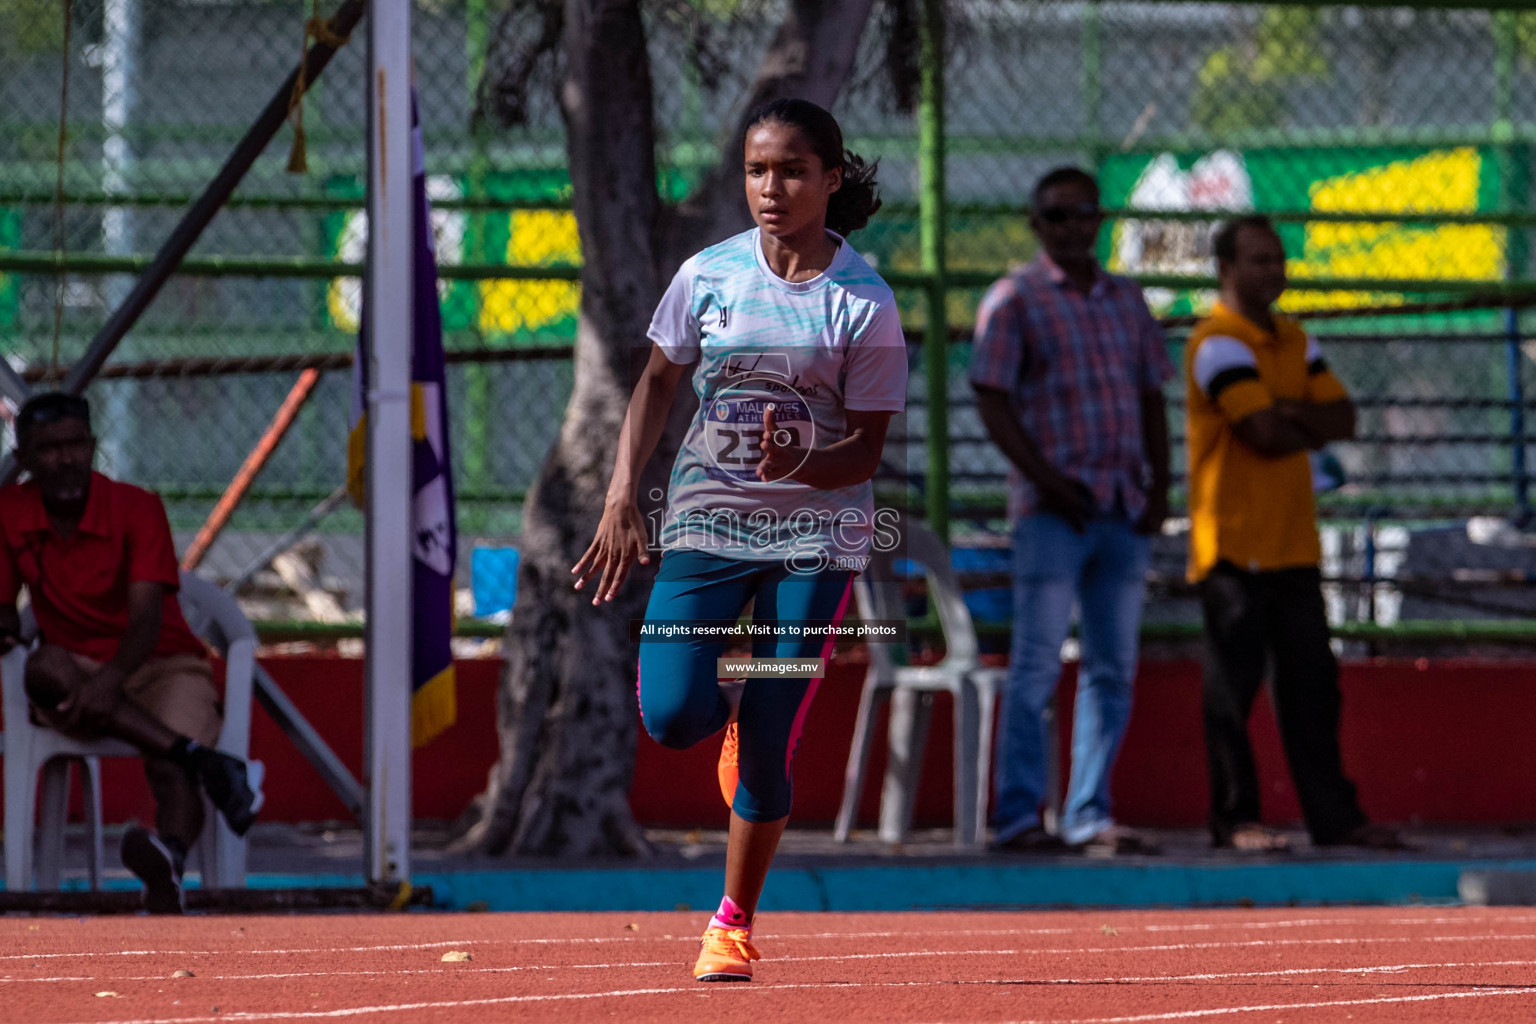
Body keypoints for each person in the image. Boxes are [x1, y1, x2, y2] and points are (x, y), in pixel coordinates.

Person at [571, 98, 906, 982]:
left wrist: (809, 456)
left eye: (793, 171)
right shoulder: (708, 275)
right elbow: (653, 382)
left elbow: (867, 450)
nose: (771, 188)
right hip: (706, 526)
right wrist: (621, 497)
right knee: (675, 715)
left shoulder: (862, 303)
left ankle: (731, 922)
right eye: (758, 171)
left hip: (817, 539)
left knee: (772, 730)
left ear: (832, 180)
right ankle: (721, 696)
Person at [969, 167, 1172, 856]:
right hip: (1052, 511)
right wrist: (1045, 480)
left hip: (1121, 503)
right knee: (1036, 664)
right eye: (1056, 216)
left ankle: (1089, 813)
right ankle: (1020, 816)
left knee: (1113, 667)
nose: (1072, 225)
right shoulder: (1015, 299)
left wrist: (1162, 485)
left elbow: (1150, 394)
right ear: (1037, 224)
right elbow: (991, 397)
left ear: (1100, 217)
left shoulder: (1126, 299)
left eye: (1083, 212)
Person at [1185, 216, 1402, 852]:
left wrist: (1291, 417)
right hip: (1231, 546)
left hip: (1292, 546)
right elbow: (1266, 434)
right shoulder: (1218, 342)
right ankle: (1235, 819)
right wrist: (1299, 420)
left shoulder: (1295, 339)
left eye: (1278, 259)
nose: (1274, 271)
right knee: (1232, 694)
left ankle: (1335, 819)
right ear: (1225, 269)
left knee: (1314, 690)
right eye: (1258, 260)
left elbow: (1346, 419)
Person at [0, 392, 265, 912]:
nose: (66, 458)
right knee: (43, 669)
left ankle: (168, 859)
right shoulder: (9, 513)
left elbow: (146, 619)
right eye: (49, 449)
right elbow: (6, 610)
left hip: (161, 663)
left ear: (94, 446)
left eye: (77, 444)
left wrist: (109, 681)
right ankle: (206, 760)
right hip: (72, 668)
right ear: (23, 458)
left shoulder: (136, 507)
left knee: (171, 770)